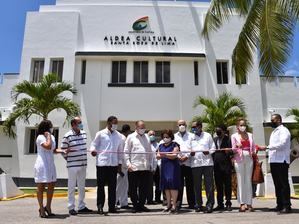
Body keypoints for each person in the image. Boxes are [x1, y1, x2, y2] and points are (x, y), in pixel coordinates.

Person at [90, 116, 123, 214]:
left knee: (112, 187)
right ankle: (100, 206)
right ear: (108, 123)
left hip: (113, 164)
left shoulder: (119, 136)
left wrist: (120, 164)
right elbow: (93, 145)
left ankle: (111, 207)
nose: (115, 125)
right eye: (114, 123)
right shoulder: (100, 134)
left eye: (117, 123)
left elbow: (120, 151)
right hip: (102, 164)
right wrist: (93, 150)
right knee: (101, 187)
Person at [260, 114, 292, 214]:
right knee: (277, 184)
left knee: (283, 184)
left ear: (278, 120)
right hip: (274, 160)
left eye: (272, 120)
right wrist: (269, 148)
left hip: (281, 160)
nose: (271, 122)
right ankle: (280, 204)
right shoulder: (275, 131)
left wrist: (268, 147)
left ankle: (287, 206)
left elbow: (282, 144)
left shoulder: (284, 131)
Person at [61, 117, 92, 216]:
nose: (81, 124)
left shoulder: (83, 134)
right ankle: (71, 207)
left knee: (82, 187)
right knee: (71, 187)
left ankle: (81, 206)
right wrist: (69, 159)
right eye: (79, 122)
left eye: (81, 122)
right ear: (73, 124)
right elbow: (63, 151)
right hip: (73, 165)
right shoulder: (67, 136)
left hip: (83, 164)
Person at [34, 120, 65, 218]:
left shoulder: (52, 137)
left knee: (52, 185)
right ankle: (41, 209)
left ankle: (48, 207)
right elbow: (47, 146)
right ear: (46, 127)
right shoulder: (40, 137)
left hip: (50, 164)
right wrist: (47, 136)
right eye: (51, 126)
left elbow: (53, 150)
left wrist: (63, 151)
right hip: (42, 164)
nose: (52, 128)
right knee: (41, 186)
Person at [124, 120, 152, 213]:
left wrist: (151, 164)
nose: (143, 129)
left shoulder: (147, 137)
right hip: (134, 167)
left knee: (144, 187)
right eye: (141, 127)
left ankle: (141, 205)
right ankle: (135, 205)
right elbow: (126, 151)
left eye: (144, 127)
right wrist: (128, 164)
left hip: (145, 167)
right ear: (136, 127)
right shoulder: (130, 137)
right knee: (133, 187)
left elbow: (150, 152)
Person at [190, 121, 216, 213]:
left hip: (207, 163)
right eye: (192, 127)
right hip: (195, 164)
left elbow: (213, 147)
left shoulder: (207, 135)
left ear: (200, 127)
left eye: (195, 127)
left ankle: (210, 205)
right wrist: (190, 153)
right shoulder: (190, 136)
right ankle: (198, 205)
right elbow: (187, 149)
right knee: (196, 185)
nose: (193, 128)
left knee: (209, 185)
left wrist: (208, 152)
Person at [231, 118, 255, 212]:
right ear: (237, 126)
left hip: (249, 158)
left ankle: (249, 203)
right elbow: (233, 149)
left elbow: (253, 147)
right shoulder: (234, 136)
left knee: (248, 181)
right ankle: (241, 203)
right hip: (239, 159)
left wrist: (253, 152)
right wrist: (237, 147)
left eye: (244, 125)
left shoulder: (250, 135)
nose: (243, 126)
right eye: (241, 125)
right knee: (240, 181)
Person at [157, 129, 181, 214]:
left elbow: (174, 155)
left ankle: (174, 205)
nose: (165, 138)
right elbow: (158, 155)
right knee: (166, 186)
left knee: (173, 186)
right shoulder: (160, 145)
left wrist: (165, 155)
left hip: (173, 167)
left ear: (171, 137)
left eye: (167, 137)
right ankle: (168, 205)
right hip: (164, 167)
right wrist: (160, 155)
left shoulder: (175, 144)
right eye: (164, 137)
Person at [174, 120, 195, 209]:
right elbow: (173, 148)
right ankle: (178, 203)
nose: (181, 126)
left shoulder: (191, 135)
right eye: (180, 124)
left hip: (189, 163)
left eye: (183, 124)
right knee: (179, 184)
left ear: (186, 125)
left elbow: (193, 147)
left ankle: (191, 203)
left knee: (190, 184)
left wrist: (186, 157)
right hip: (178, 163)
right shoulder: (174, 136)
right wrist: (178, 157)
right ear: (177, 126)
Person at [213, 125, 233, 211]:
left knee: (227, 185)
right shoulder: (214, 139)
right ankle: (220, 204)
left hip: (226, 165)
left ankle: (228, 203)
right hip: (216, 166)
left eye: (219, 131)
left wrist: (229, 151)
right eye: (217, 131)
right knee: (219, 186)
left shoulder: (229, 139)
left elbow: (233, 151)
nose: (218, 132)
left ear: (224, 131)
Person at [116, 124, 131, 209]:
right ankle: (115, 202)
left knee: (125, 185)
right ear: (128, 131)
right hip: (121, 166)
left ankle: (124, 203)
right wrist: (119, 167)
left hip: (124, 166)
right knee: (119, 185)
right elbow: (121, 153)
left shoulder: (123, 138)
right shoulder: (122, 138)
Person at [147, 130, 161, 204]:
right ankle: (149, 199)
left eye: (153, 134)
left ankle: (157, 199)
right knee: (149, 184)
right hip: (148, 167)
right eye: (150, 134)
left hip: (157, 166)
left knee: (158, 183)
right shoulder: (146, 144)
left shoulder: (157, 144)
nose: (152, 136)